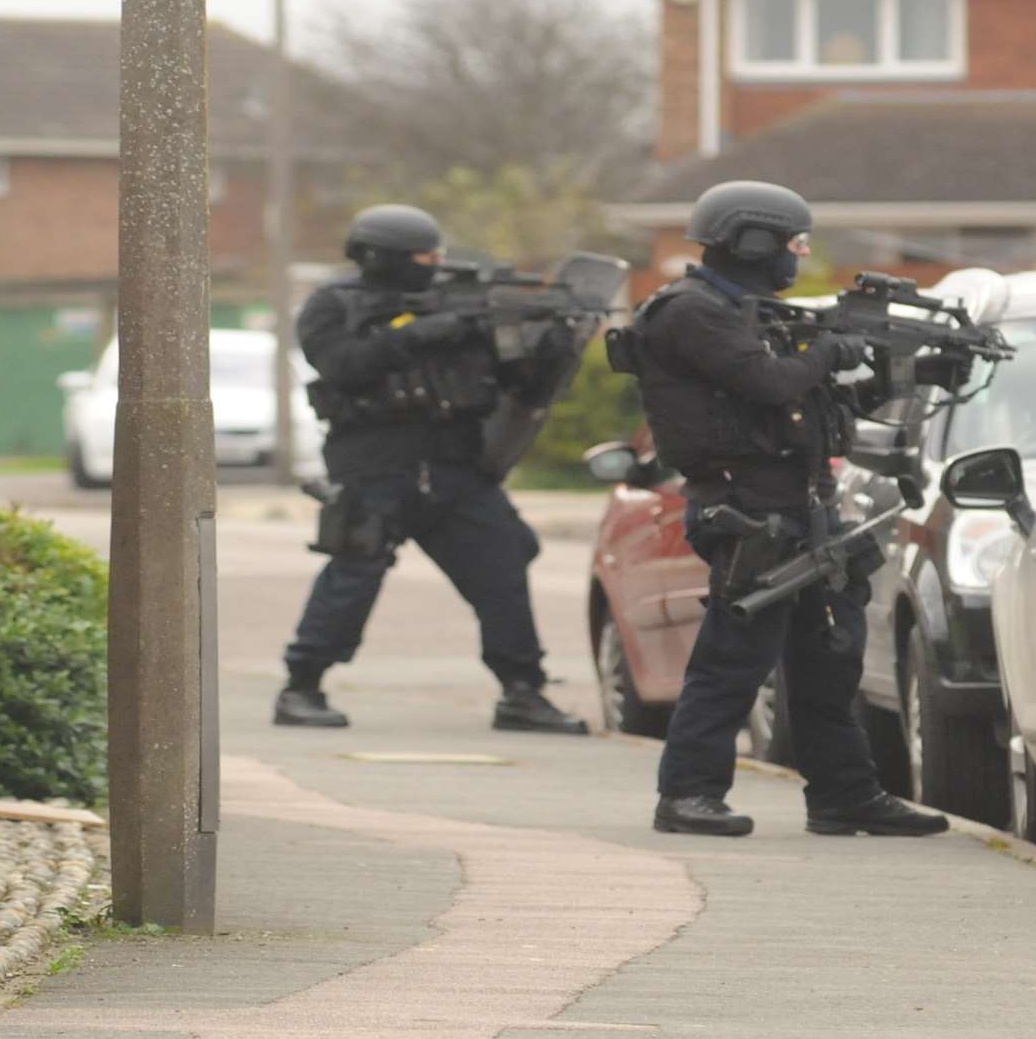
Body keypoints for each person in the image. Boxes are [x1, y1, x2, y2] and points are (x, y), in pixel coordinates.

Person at [633, 180, 952, 837]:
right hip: (746, 509)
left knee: (829, 662)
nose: (799, 256)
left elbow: (809, 408)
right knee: (734, 658)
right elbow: (768, 382)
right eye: (792, 243)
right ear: (751, 241)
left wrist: (914, 375)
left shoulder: (756, 313)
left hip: (803, 511)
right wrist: (829, 348)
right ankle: (687, 794)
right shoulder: (691, 313)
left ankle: (845, 797)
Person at [275, 204, 586, 734]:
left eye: (439, 254)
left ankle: (522, 692)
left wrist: (551, 349)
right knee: (355, 571)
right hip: (374, 463)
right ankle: (302, 687)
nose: (436, 263)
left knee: (504, 566)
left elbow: (520, 388)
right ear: (381, 257)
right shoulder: (334, 306)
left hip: (455, 464)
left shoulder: (469, 307)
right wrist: (419, 333)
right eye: (424, 256)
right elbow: (343, 366)